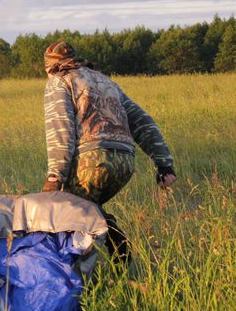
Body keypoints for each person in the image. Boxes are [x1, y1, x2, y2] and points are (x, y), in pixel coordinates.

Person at [41, 40, 176, 257]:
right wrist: (164, 164)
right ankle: (116, 250)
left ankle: (82, 271)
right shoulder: (106, 82)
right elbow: (142, 120)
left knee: (66, 212)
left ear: (49, 66)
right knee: (88, 208)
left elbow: (60, 129)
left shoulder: (60, 81)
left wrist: (55, 176)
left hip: (92, 161)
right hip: (124, 162)